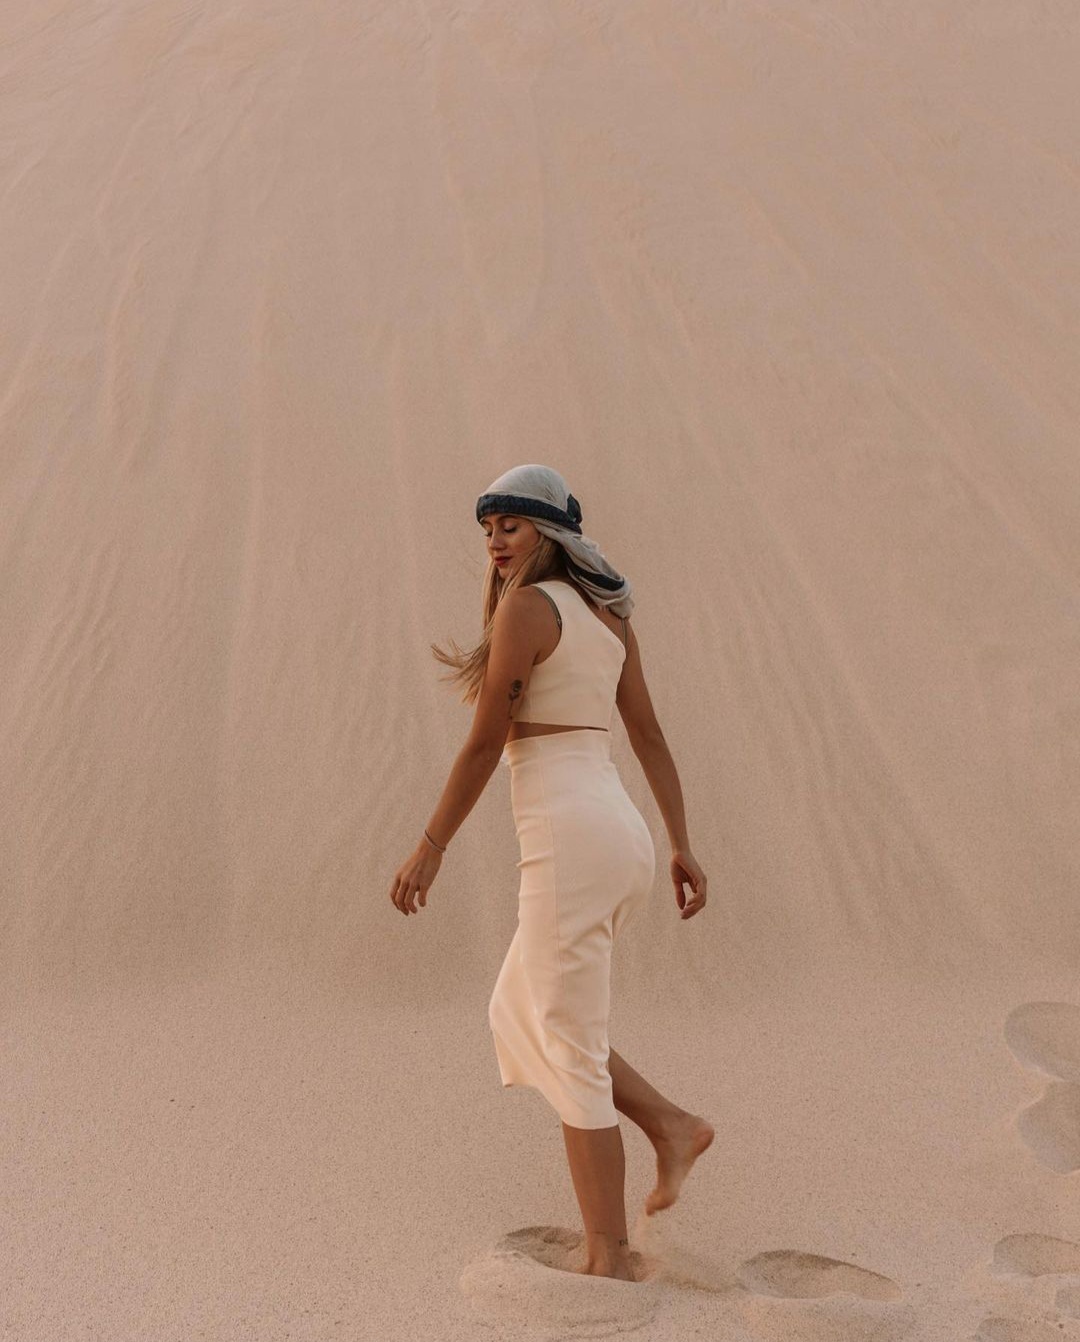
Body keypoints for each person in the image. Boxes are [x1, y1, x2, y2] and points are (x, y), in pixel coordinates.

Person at [389, 464, 713, 1283]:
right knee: (520, 1008)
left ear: (552, 532)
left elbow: (483, 743)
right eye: (487, 528)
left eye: (512, 525)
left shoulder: (529, 609)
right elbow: (648, 735)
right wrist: (677, 842)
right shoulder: (608, 615)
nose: (495, 541)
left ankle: (609, 1253)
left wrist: (431, 844)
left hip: (572, 842)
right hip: (616, 835)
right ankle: (670, 1126)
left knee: (566, 1041)